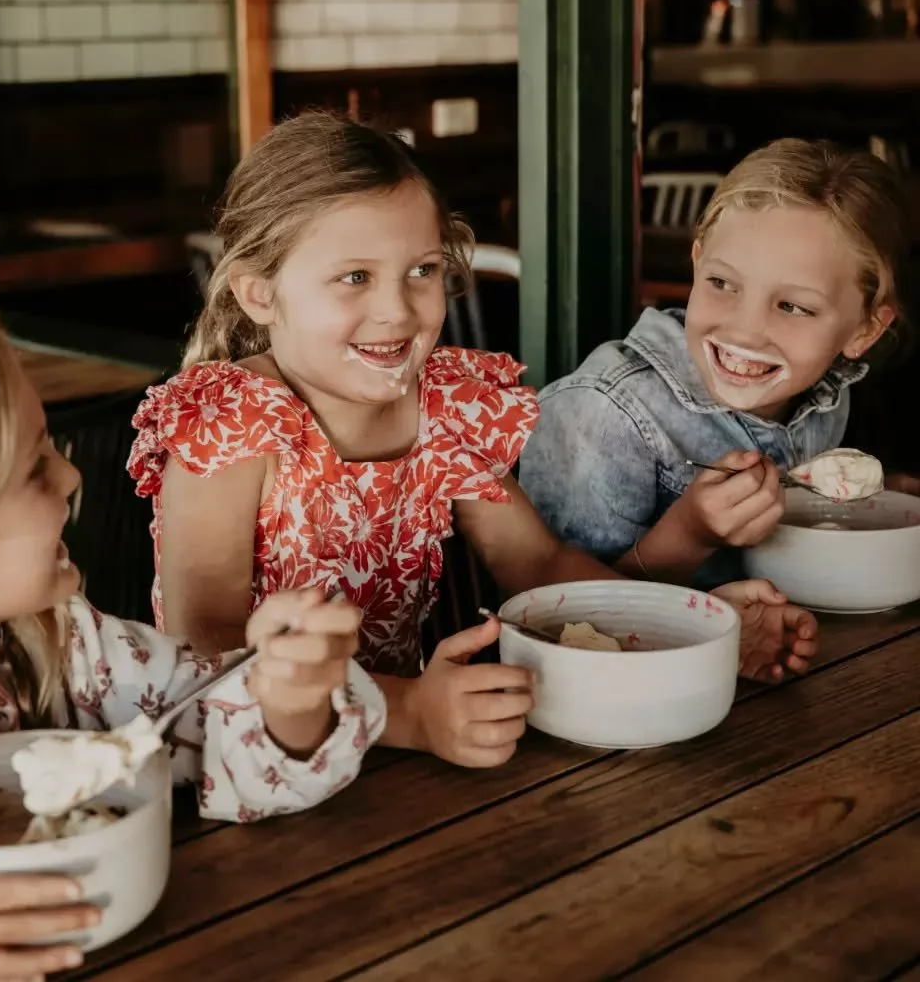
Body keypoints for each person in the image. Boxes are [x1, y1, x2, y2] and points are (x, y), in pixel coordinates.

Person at [129, 114, 815, 774]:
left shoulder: (442, 406)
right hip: (244, 768)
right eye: (354, 277)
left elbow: (539, 564)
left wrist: (693, 629)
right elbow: (206, 649)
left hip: (395, 756)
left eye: (422, 271)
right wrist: (407, 713)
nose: (398, 309)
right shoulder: (231, 423)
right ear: (258, 294)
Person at [0, 307, 384, 981]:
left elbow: (219, 727)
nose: (70, 478)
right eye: (32, 470)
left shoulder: (62, 647)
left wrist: (289, 699)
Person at [521, 138, 910, 592]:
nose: (745, 330)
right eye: (722, 282)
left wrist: (868, 498)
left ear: (865, 331)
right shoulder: (598, 416)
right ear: (697, 263)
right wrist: (690, 533)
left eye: (793, 307)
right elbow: (559, 614)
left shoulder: (825, 395)